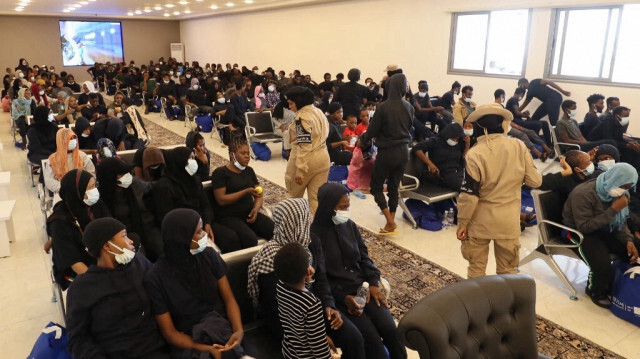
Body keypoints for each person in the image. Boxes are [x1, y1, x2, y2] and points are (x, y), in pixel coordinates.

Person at [247, 198, 363, 359]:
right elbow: (275, 312)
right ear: (294, 223)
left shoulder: (312, 242)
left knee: (353, 338)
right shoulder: (273, 259)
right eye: (303, 219)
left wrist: (329, 306)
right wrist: (318, 339)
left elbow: (321, 279)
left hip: (314, 311)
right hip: (289, 325)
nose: (306, 224)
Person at [311, 183, 407, 359]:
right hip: (340, 297)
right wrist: (343, 298)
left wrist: (372, 282)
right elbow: (320, 279)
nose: (346, 211)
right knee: (372, 342)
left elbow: (364, 257)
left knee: (391, 329)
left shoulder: (350, 226)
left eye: (348, 206)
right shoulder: (315, 236)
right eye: (342, 207)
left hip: (362, 289)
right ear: (328, 207)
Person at [144, 209, 250, 358]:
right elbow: (170, 332)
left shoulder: (209, 256)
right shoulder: (155, 277)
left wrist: (238, 331)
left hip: (221, 327)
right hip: (188, 339)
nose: (205, 235)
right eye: (199, 232)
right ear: (183, 238)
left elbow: (229, 300)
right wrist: (205, 348)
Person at [456, 103, 542, 278]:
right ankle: (503, 304)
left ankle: (477, 304)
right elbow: (535, 180)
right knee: (508, 272)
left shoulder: (475, 153)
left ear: (479, 126)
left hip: (480, 221)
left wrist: (462, 223)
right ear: (504, 124)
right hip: (508, 221)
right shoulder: (518, 146)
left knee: (476, 270)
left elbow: (469, 196)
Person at [66, 218, 170, 358]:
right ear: (107, 246)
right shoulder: (82, 288)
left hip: (156, 350)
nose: (131, 241)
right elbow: (78, 339)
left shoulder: (139, 264)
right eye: (124, 236)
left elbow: (163, 295)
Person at [563, 163, 640, 307]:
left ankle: (620, 284)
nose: (625, 190)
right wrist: (613, 209)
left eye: (629, 187)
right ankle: (595, 291)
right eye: (623, 186)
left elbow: (621, 221)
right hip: (577, 232)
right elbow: (585, 227)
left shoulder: (622, 194)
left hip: (605, 228)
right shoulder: (583, 194)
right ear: (614, 179)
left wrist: (629, 240)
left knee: (636, 246)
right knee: (602, 267)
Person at [361, 74, 413, 235]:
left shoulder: (383, 107)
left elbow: (373, 130)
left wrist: (363, 139)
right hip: (404, 151)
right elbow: (410, 128)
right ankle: (390, 222)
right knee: (393, 187)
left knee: (376, 187)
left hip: (388, 152)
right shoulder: (409, 107)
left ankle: (391, 222)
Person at [46, 170, 109, 290]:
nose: (94, 191)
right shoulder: (60, 222)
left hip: (103, 259)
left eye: (95, 186)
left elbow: (112, 229)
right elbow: (73, 262)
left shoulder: (94, 205)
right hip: (79, 272)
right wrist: (99, 281)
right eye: (90, 187)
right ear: (76, 191)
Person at [211, 140, 274, 253]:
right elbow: (221, 200)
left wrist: (255, 209)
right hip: (229, 216)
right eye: (243, 153)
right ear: (232, 155)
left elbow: (259, 195)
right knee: (250, 239)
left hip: (249, 213)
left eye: (248, 153)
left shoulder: (249, 171)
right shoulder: (221, 173)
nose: (247, 156)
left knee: (273, 230)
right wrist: (245, 192)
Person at [274, 242, 335, 359]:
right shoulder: (312, 304)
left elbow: (298, 292)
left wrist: (308, 280)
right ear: (308, 271)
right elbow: (320, 351)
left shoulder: (280, 286)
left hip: (289, 352)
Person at [97, 157, 163, 262]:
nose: (128, 176)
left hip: (146, 227)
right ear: (111, 177)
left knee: (161, 249)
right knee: (140, 261)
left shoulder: (134, 184)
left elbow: (152, 187)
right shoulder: (102, 197)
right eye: (122, 174)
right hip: (123, 237)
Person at [151, 147, 217, 242]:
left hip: (201, 225)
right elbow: (165, 218)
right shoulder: (163, 186)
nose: (193, 162)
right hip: (180, 232)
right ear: (179, 161)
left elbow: (205, 205)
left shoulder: (195, 180)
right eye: (190, 159)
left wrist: (207, 223)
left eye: (194, 158)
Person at [284, 86, 330, 214]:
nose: (290, 107)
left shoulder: (302, 118)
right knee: (316, 200)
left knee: (294, 198)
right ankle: (315, 231)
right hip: (323, 158)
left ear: (299, 102)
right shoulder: (319, 112)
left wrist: (300, 168)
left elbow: (304, 145)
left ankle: (294, 229)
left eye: (291, 103)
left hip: (307, 161)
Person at [412, 122, 468, 191]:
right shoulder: (435, 141)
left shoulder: (457, 144)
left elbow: (462, 159)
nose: (455, 141)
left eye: (457, 139)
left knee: (476, 186)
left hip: (458, 173)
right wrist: (430, 164)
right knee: (467, 189)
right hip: (442, 176)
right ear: (448, 134)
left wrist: (467, 146)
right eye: (453, 138)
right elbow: (416, 148)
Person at [44, 128, 95, 193]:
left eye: (74, 138)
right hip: (62, 191)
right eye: (70, 139)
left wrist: (84, 185)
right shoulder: (53, 159)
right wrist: (64, 188)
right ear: (61, 141)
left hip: (84, 190)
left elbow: (91, 172)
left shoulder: (82, 156)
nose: (73, 141)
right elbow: (49, 180)